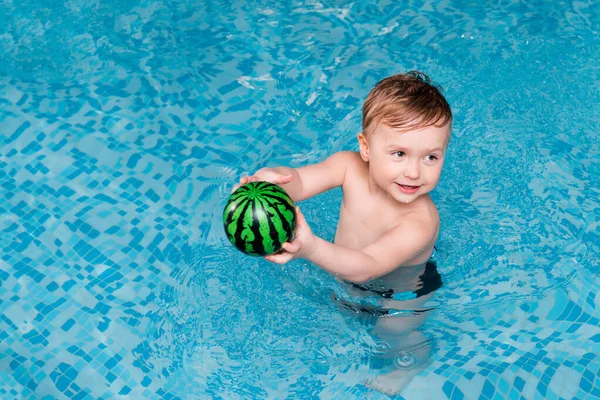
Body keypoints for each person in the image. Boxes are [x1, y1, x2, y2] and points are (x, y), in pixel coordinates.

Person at [234, 71, 452, 394]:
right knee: (342, 308)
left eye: (431, 157)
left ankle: (416, 357)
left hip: (402, 294)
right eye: (399, 153)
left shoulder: (421, 221)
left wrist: (309, 248)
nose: (414, 171)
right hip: (347, 274)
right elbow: (303, 181)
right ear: (365, 147)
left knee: (392, 331)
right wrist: (275, 182)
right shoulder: (349, 166)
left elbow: (368, 264)